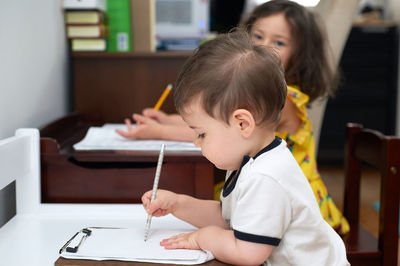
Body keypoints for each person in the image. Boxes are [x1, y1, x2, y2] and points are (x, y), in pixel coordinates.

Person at [119, 0, 350, 236]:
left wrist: (158, 132)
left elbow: (219, 125)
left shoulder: (281, 99)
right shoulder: (251, 93)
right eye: (258, 37)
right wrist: (167, 120)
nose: (266, 47)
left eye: (279, 42)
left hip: (293, 208)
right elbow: (215, 118)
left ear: (301, 56)